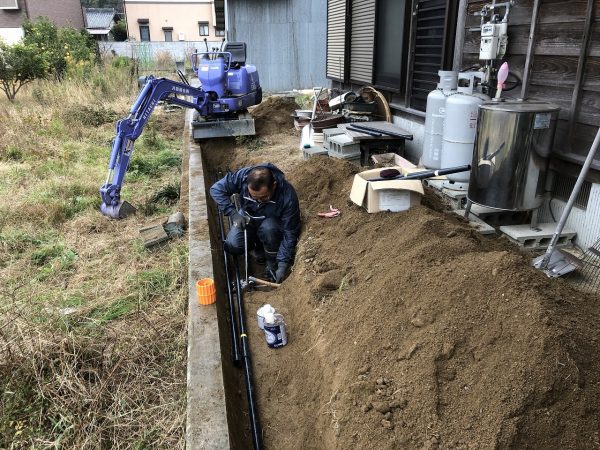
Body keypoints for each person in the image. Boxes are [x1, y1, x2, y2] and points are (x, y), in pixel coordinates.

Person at [210, 163, 301, 283]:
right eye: (254, 197)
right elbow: (216, 189)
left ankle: (271, 261)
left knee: (269, 228)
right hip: (248, 217)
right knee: (232, 246)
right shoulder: (242, 177)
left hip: (272, 226)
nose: (258, 201)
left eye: (263, 198)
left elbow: (290, 232)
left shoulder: (287, 195)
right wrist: (233, 213)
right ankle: (257, 247)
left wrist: (283, 263)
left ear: (273, 186)